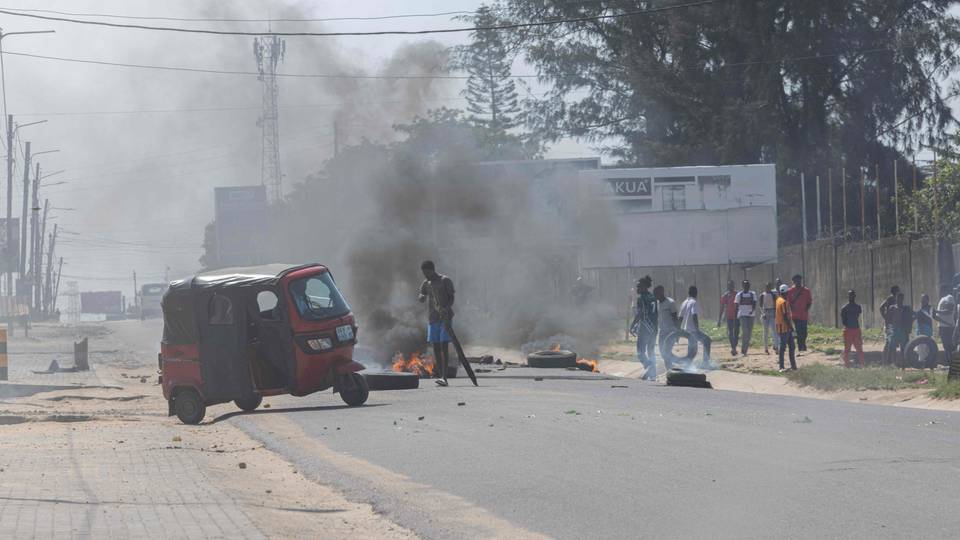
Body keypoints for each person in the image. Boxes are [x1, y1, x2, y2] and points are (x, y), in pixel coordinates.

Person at [418, 260, 456, 387]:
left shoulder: (445, 280)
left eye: (426, 272)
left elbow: (451, 297)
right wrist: (421, 297)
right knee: (436, 347)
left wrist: (446, 308)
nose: (425, 275)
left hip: (445, 318)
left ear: (432, 270)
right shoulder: (426, 283)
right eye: (423, 273)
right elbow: (421, 294)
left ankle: (444, 376)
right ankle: (440, 375)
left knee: (444, 346)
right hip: (433, 318)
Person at [629, 276, 658, 380]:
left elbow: (641, 314)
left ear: (645, 286)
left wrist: (633, 325)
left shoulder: (641, 298)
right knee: (651, 351)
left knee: (640, 352)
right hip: (654, 328)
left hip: (645, 327)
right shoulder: (653, 297)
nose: (637, 289)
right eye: (637, 286)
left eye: (639, 286)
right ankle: (653, 374)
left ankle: (649, 366)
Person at [679, 285, 712, 366]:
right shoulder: (694, 302)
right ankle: (705, 362)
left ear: (688, 293)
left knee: (692, 346)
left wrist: (678, 331)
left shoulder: (684, 302)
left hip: (686, 330)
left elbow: (680, 317)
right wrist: (697, 329)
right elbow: (694, 315)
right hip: (693, 329)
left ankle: (687, 363)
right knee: (707, 341)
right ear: (696, 293)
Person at [654, 285, 679, 369]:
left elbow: (675, 318)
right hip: (662, 332)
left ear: (661, 292)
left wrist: (678, 333)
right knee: (662, 352)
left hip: (670, 332)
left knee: (666, 351)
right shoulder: (657, 304)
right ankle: (675, 364)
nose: (655, 296)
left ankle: (670, 368)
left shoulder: (670, 302)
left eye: (656, 294)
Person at [785, 274, 812, 353]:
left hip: (804, 315)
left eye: (799, 280)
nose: (798, 282)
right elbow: (788, 302)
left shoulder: (806, 290)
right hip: (795, 315)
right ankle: (801, 346)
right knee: (798, 331)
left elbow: (809, 301)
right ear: (793, 281)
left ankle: (803, 343)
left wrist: (806, 309)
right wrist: (791, 308)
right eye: (796, 280)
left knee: (804, 332)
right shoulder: (790, 291)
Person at [840, 290, 865, 368]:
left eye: (852, 295)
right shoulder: (844, 308)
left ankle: (863, 365)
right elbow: (843, 321)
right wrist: (849, 327)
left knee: (859, 349)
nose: (851, 296)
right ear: (848, 296)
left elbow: (857, 316)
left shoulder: (858, 307)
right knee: (847, 350)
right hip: (848, 330)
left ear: (855, 296)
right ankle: (847, 366)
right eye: (850, 295)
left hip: (857, 330)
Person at [775, 284, 797, 371]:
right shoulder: (783, 302)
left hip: (782, 327)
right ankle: (782, 367)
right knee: (784, 348)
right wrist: (791, 327)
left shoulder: (778, 300)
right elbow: (785, 316)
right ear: (787, 292)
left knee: (791, 346)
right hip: (784, 328)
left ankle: (793, 366)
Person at [734, 280, 757, 356]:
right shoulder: (739, 294)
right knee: (745, 332)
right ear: (742, 286)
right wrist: (735, 316)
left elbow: (754, 303)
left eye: (747, 285)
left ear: (749, 286)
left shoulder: (752, 294)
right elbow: (736, 305)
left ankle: (745, 349)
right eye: (745, 285)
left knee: (749, 333)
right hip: (742, 314)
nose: (746, 286)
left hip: (751, 315)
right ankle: (743, 350)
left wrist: (752, 310)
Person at [717, 280, 739, 356]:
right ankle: (733, 348)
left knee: (736, 333)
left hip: (737, 317)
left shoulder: (737, 294)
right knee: (730, 333)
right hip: (729, 317)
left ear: (734, 286)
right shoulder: (725, 296)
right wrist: (719, 319)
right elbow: (722, 308)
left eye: (732, 285)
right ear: (728, 286)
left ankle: (734, 347)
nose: (731, 287)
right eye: (729, 285)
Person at [935, 284, 956, 364]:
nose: (940, 292)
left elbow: (949, 310)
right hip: (943, 326)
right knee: (946, 346)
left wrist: (936, 311)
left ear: (945, 290)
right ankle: (949, 362)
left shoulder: (949, 297)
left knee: (950, 345)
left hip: (948, 326)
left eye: (941, 290)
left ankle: (952, 362)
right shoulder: (942, 299)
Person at [880, 287, 901, 365]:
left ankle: (889, 362)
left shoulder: (892, 298)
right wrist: (886, 318)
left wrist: (886, 317)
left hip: (891, 324)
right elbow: (881, 307)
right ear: (896, 291)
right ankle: (887, 362)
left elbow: (881, 308)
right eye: (898, 291)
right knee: (889, 343)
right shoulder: (892, 298)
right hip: (890, 325)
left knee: (891, 343)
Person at [759, 282, 779, 354]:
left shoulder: (774, 295)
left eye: (769, 287)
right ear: (765, 287)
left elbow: (776, 305)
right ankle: (766, 348)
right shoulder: (762, 295)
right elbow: (760, 305)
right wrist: (762, 313)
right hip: (765, 312)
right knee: (765, 331)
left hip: (772, 312)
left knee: (774, 330)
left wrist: (776, 314)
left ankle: (776, 347)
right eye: (767, 287)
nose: (768, 288)